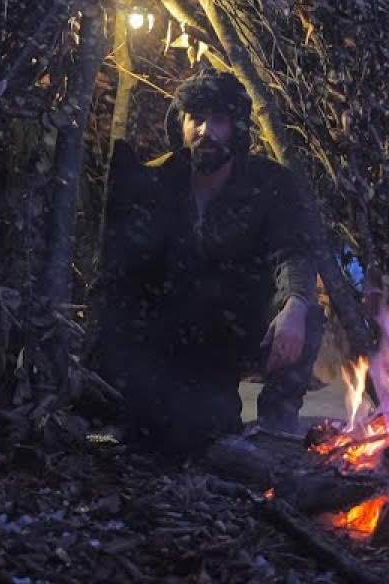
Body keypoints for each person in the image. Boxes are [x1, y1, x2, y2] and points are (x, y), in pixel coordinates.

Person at [90, 67, 327, 453]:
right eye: (196, 119)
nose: (205, 131)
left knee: (306, 316)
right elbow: (124, 278)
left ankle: (277, 429)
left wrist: (295, 304)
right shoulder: (155, 183)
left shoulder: (269, 185)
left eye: (218, 120)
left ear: (236, 129)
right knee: (176, 434)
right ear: (180, 124)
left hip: (239, 325)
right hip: (174, 333)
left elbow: (293, 251)